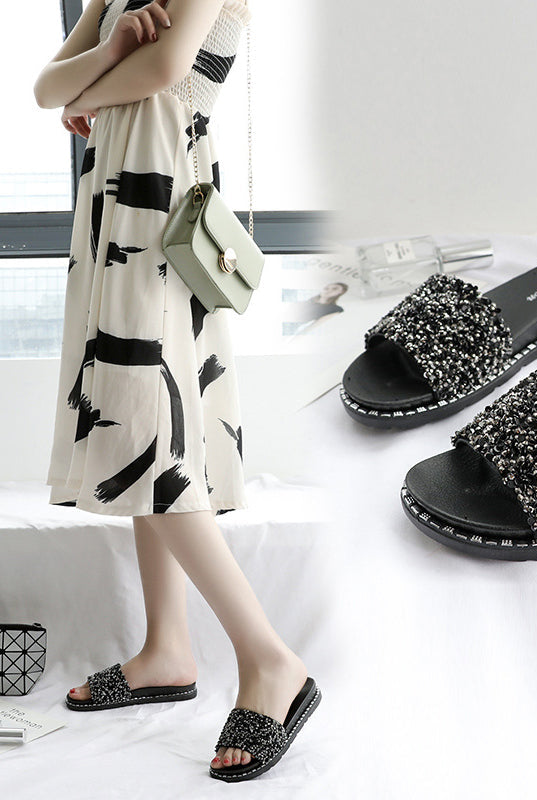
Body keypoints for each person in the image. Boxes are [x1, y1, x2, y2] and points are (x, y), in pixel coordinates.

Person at [33, 0, 319, 782]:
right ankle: (166, 648)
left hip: (162, 202)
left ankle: (270, 660)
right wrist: (106, 55)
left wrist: (88, 87)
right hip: (115, 203)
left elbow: (165, 69)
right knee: (138, 423)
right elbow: (44, 87)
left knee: (140, 430)